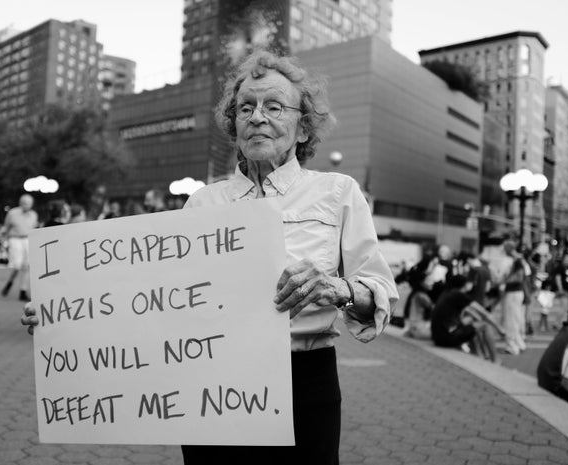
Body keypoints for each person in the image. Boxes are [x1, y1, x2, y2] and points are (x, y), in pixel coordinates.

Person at [22, 49, 399, 464]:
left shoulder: (338, 192)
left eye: (274, 106)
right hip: (210, 380)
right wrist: (65, 314)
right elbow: (154, 301)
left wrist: (337, 287)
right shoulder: (203, 203)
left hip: (304, 380)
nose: (257, 117)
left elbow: (379, 291)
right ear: (233, 124)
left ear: (304, 128)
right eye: (246, 108)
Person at [430, 275, 505, 363]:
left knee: (471, 324)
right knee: (485, 326)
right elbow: (483, 313)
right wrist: (500, 329)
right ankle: (495, 359)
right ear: (463, 285)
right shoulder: (458, 295)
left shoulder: (447, 294)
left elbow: (472, 313)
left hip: (437, 337)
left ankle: (478, 355)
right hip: (446, 338)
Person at [1, 194, 38, 302]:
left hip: (28, 240)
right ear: (21, 203)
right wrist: (5, 241)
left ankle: (23, 291)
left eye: (30, 204)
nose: (27, 206)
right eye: (25, 203)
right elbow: (6, 227)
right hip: (15, 239)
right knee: (17, 265)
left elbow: (34, 228)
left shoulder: (33, 215)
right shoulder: (12, 213)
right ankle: (10, 282)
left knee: (27, 266)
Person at [500, 240, 531, 355]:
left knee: (511, 319)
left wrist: (504, 281)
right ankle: (519, 343)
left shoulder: (516, 260)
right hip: (518, 292)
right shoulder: (519, 260)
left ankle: (512, 346)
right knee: (516, 318)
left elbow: (518, 277)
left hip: (513, 292)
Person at [402, 255, 436, 340]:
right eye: (432, 265)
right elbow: (432, 308)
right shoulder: (421, 295)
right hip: (418, 329)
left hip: (413, 326)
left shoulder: (416, 293)